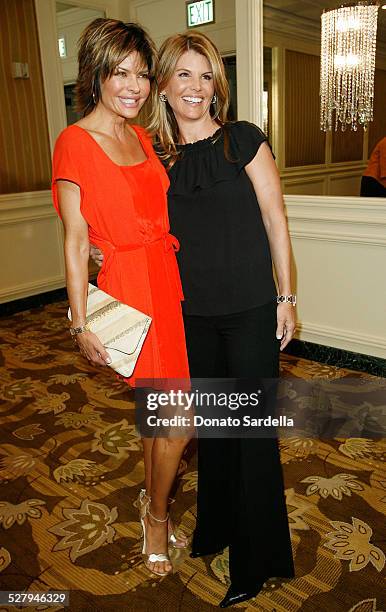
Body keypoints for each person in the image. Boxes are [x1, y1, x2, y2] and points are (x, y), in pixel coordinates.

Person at [91, 30, 296, 608]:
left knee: (252, 436)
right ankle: (217, 530)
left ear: (218, 86)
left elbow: (276, 220)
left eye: (206, 76)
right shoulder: (155, 159)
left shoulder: (244, 142)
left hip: (252, 310)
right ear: (164, 84)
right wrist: (100, 252)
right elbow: (125, 222)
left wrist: (287, 298)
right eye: (183, 74)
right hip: (189, 317)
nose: (196, 87)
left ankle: (257, 562)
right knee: (213, 434)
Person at [51, 19, 191, 578]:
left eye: (140, 73)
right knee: (179, 420)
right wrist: (79, 323)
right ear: (96, 76)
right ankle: (154, 515)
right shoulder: (74, 143)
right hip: (131, 290)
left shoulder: (142, 137)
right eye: (119, 72)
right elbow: (75, 239)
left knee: (160, 417)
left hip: (169, 279)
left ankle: (149, 501)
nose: (132, 85)